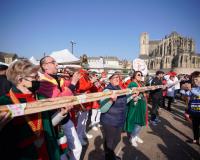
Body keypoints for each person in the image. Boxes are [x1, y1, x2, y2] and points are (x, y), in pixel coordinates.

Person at [0, 59, 65, 159]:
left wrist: (61, 115)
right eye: (35, 77)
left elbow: (47, 126)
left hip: (46, 151)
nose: (39, 80)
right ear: (20, 80)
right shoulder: (5, 102)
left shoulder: (41, 98)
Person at [39, 56, 82, 160]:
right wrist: (73, 83)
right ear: (45, 66)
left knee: (77, 148)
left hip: (65, 117)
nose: (57, 64)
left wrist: (74, 78)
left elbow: (73, 89)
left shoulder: (58, 79)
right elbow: (59, 99)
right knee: (61, 153)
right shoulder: (43, 81)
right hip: (55, 122)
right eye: (53, 62)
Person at [100, 72, 127, 160]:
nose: (117, 79)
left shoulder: (119, 88)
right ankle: (109, 157)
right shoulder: (107, 91)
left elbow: (123, 101)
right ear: (110, 79)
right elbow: (103, 109)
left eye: (118, 77)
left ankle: (110, 155)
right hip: (109, 121)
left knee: (117, 139)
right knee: (110, 142)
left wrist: (132, 97)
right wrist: (111, 101)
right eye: (114, 77)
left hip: (119, 119)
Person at [124, 71, 147, 147]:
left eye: (141, 75)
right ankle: (132, 137)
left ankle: (136, 136)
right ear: (134, 76)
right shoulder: (132, 84)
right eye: (138, 75)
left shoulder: (140, 84)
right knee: (136, 122)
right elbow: (129, 95)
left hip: (141, 105)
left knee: (140, 122)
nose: (140, 76)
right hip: (135, 106)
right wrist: (136, 96)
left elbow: (142, 93)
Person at [181, 71, 200, 144]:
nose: (194, 81)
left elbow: (198, 94)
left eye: (196, 79)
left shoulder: (194, 88)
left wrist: (190, 89)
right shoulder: (194, 88)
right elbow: (187, 94)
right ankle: (196, 139)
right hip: (194, 111)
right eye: (193, 79)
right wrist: (182, 88)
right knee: (195, 126)